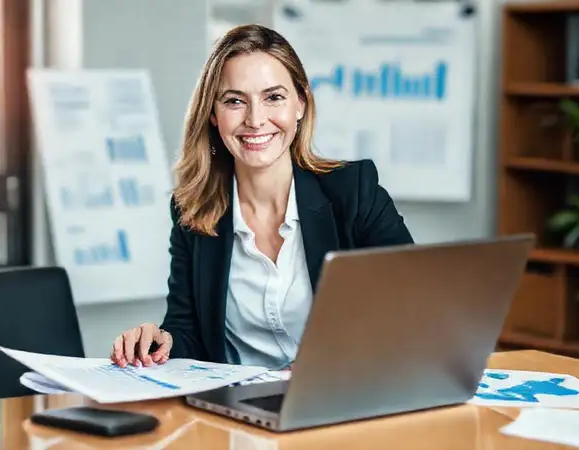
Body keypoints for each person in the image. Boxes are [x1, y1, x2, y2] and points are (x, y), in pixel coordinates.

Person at [110, 24, 413, 370]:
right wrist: (163, 341)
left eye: (274, 97)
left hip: (341, 400)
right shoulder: (192, 211)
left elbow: (412, 306)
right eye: (235, 101)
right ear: (213, 114)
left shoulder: (354, 191)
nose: (255, 120)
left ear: (300, 104)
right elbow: (190, 332)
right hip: (239, 409)